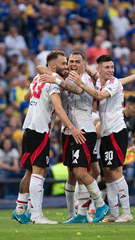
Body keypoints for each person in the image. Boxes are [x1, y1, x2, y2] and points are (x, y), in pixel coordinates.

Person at [12, 50, 85, 225]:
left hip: (28, 127)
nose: (66, 67)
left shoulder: (37, 79)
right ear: (52, 66)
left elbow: (26, 96)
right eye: (63, 64)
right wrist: (72, 128)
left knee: (29, 171)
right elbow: (59, 109)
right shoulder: (52, 84)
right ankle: (36, 216)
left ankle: (20, 210)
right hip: (40, 129)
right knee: (40, 171)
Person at [37, 51, 109, 223]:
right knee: (71, 174)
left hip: (83, 131)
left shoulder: (83, 79)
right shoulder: (66, 76)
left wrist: (55, 79)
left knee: (80, 172)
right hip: (68, 132)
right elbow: (40, 67)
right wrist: (55, 73)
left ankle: (100, 204)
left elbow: (76, 90)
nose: (73, 64)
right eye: (71, 61)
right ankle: (76, 215)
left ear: (84, 65)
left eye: (77, 62)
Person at [69, 55, 132, 222]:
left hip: (117, 131)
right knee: (108, 174)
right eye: (107, 67)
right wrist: (84, 67)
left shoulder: (113, 83)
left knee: (117, 172)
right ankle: (114, 213)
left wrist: (81, 83)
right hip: (105, 133)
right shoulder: (98, 81)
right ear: (99, 69)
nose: (110, 70)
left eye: (112, 67)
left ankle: (126, 213)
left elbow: (100, 95)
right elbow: (92, 73)